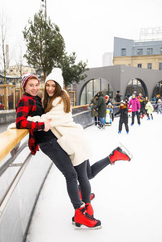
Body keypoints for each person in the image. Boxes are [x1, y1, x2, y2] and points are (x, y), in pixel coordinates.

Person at [15, 70, 131, 229]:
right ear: (25, 87)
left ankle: (83, 206)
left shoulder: (55, 100)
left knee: (81, 174)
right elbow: (21, 122)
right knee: (78, 174)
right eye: (33, 85)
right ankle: (82, 207)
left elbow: (46, 119)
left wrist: (38, 122)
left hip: (68, 139)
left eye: (37, 85)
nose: (39, 88)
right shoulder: (30, 100)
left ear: (58, 86)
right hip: (55, 141)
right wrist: (38, 124)